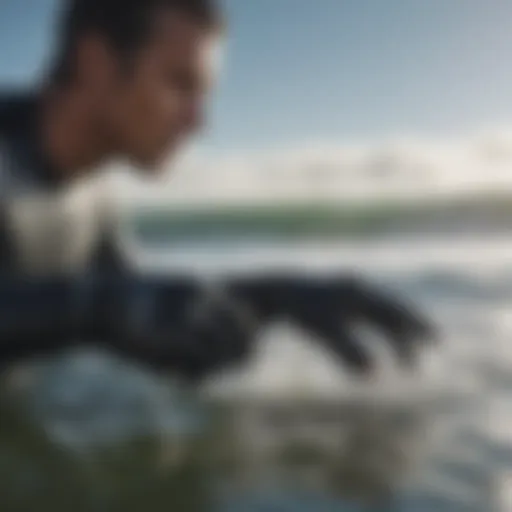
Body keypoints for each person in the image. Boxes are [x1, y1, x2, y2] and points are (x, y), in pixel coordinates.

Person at [0, 0, 435, 382]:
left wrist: (272, 298)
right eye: (179, 85)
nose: (197, 123)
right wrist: (97, 309)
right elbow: (106, 307)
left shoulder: (92, 197)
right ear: (96, 62)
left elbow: (143, 306)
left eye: (202, 96)